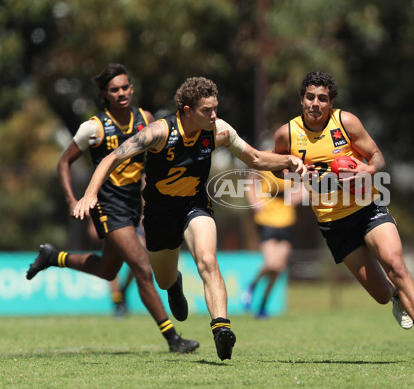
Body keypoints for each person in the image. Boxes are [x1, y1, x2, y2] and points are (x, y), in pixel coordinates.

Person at [72, 76, 307, 361]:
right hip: (159, 216)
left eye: (215, 108)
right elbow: (112, 158)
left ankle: (221, 328)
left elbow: (256, 159)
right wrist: (90, 194)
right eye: (207, 110)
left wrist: (288, 161)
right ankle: (174, 285)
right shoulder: (158, 132)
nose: (214, 115)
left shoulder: (219, 131)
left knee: (208, 260)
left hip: (195, 206)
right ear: (186, 111)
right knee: (163, 277)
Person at [272, 71, 414, 362]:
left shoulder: (346, 122)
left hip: (368, 207)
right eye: (310, 97)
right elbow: (276, 166)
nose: (315, 104)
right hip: (333, 224)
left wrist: (367, 171)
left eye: (322, 98)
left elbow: (377, 156)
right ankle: (396, 297)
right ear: (301, 99)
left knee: (395, 263)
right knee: (382, 294)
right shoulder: (287, 133)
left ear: (331, 102)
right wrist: (293, 172)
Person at [26, 63, 199, 354]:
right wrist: (72, 200)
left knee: (108, 271)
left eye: (125, 87)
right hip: (108, 205)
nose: (121, 93)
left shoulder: (144, 118)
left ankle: (53, 256)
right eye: (114, 89)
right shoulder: (93, 127)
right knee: (142, 267)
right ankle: (173, 339)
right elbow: (63, 162)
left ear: (131, 88)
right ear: (105, 95)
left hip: (133, 202)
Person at [242, 169, 303, 319]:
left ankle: (262, 306)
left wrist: (300, 195)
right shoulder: (266, 159)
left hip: (287, 221)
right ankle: (252, 286)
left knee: (279, 267)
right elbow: (250, 181)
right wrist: (254, 201)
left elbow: (306, 184)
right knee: (271, 264)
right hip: (267, 221)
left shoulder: (294, 163)